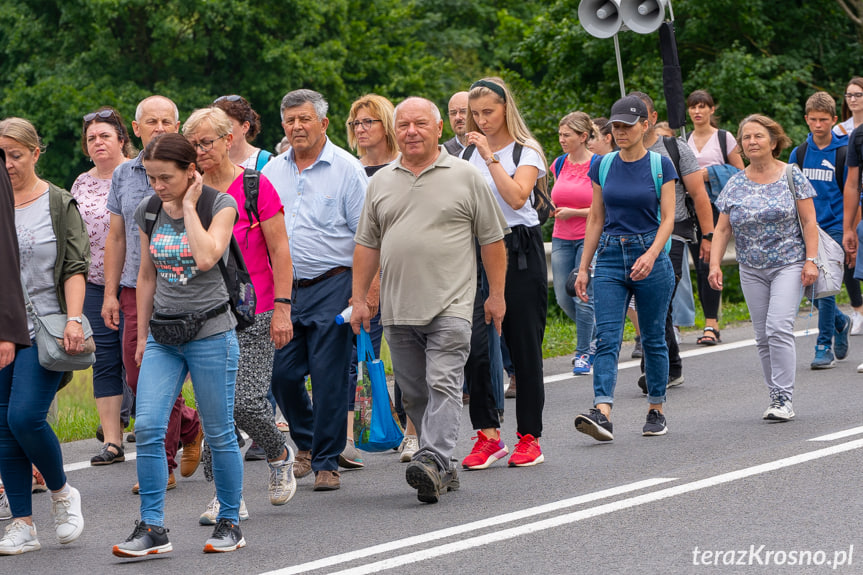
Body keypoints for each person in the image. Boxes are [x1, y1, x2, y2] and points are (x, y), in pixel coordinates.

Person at [352, 97, 507, 502]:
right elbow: (367, 245)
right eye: (403, 125)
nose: (411, 132)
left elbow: (492, 239)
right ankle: (443, 467)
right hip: (398, 308)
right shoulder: (381, 181)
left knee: (444, 383)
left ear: (439, 129)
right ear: (394, 131)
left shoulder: (466, 175)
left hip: (452, 305)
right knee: (414, 392)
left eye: (420, 124)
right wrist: (359, 299)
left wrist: (497, 295)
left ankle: (434, 458)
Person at [112, 133, 245, 556]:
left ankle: (229, 522)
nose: (157, 186)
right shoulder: (147, 209)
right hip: (164, 336)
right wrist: (145, 334)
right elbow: (147, 275)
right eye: (151, 177)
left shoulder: (219, 205)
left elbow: (206, 257)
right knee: (149, 427)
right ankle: (152, 528)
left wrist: (188, 206)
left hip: (211, 332)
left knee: (221, 432)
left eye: (166, 178)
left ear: (192, 171)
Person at [182, 107, 297, 520]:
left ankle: (280, 452)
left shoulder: (254, 185)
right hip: (206, 314)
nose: (200, 151)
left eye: (206, 142)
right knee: (216, 404)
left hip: (258, 308)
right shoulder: (190, 192)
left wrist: (283, 307)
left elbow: (281, 250)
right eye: (193, 145)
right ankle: (225, 496)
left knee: (244, 401)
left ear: (228, 139)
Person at [264, 89, 369, 492]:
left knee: (328, 376)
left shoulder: (347, 169)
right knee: (282, 372)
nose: (296, 127)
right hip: (285, 288)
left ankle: (327, 461)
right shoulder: (273, 170)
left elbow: (366, 236)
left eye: (304, 119)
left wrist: (364, 294)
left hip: (333, 283)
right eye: (290, 120)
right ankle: (305, 443)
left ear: (323, 123)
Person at [102, 96, 203, 491]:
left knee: (163, 377)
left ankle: (161, 464)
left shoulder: (191, 170)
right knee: (137, 374)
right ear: (136, 127)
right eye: (151, 121)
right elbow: (115, 237)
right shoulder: (124, 175)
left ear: (177, 126)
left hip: (182, 287)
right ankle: (190, 426)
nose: (159, 127)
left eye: (167, 121)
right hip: (134, 287)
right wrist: (110, 293)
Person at [0, 118, 87, 555]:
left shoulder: (57, 202)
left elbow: (74, 267)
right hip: (2, 331)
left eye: (15, 154)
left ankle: (61, 493)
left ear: (36, 153)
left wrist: (74, 319)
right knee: (3, 426)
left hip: (47, 328)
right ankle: (22, 524)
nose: (8, 164)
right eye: (1, 155)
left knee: (24, 417)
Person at [572, 95, 677, 441]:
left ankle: (656, 409)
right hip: (611, 256)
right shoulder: (602, 165)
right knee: (606, 337)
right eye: (615, 126)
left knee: (652, 338)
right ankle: (602, 411)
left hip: (651, 253)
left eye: (627, 126)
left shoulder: (660, 165)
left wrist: (651, 254)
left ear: (644, 126)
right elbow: (596, 218)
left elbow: (668, 219)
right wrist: (584, 267)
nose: (619, 132)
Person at [709, 115, 819, 422]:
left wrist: (811, 259)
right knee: (762, 336)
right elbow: (722, 230)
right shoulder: (735, 182)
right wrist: (714, 264)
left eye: (758, 136)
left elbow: (810, 220)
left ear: (773, 141)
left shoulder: (791, 175)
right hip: (751, 267)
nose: (752, 142)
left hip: (789, 263)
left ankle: (785, 397)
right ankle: (775, 395)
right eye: (746, 138)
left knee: (778, 327)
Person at [462, 77, 547, 466]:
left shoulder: (525, 151)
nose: (481, 121)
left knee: (523, 345)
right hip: (476, 247)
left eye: (488, 112)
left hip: (518, 245)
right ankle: (487, 435)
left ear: (505, 109)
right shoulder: (465, 156)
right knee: (476, 347)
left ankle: (529, 436)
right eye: (474, 114)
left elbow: (516, 195)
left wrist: (491, 157)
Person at [345, 94, 417, 465]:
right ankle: (361, 431)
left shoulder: (403, 168)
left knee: (407, 355)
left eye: (368, 122)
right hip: (366, 272)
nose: (360, 129)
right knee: (361, 353)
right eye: (355, 124)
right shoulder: (350, 169)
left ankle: (412, 432)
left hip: (404, 271)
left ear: (386, 125)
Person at [629, 91, 715, 395]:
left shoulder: (674, 149)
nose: (634, 125)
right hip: (634, 232)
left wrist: (708, 236)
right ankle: (672, 365)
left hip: (674, 230)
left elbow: (699, 194)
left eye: (641, 117)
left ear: (652, 118)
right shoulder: (620, 153)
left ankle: (655, 369)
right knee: (650, 301)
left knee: (656, 298)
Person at [70, 107, 135, 466]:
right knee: (105, 359)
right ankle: (113, 441)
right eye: (91, 138)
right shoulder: (81, 182)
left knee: (139, 356)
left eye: (105, 136)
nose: (98, 143)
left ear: (122, 139)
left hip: (136, 282)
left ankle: (164, 424)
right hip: (94, 283)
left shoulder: (137, 173)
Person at [789, 92, 851, 369]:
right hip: (808, 227)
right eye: (813, 119)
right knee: (803, 284)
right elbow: (790, 191)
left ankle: (823, 344)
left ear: (834, 120)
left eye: (823, 120)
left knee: (824, 288)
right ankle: (840, 320)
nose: (817, 125)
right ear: (806, 119)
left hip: (836, 226)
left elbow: (853, 192)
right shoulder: (799, 153)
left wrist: (851, 229)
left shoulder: (844, 151)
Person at [686, 90, 746, 346]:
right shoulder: (682, 139)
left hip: (715, 208)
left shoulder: (724, 137)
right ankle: (705, 321)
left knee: (707, 262)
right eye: (693, 107)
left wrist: (710, 173)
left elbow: (741, 172)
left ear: (712, 109)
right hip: (689, 209)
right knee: (697, 267)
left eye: (702, 106)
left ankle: (712, 324)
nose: (697, 112)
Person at [549, 111, 598, 375]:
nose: (561, 139)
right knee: (562, 297)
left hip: (588, 238)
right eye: (560, 135)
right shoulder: (558, 164)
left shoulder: (599, 164)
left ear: (583, 136)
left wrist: (575, 212)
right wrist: (550, 207)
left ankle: (583, 354)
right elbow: (557, 196)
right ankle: (603, 334)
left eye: (567, 135)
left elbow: (605, 208)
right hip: (560, 237)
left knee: (582, 296)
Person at [835, 78, 863, 334]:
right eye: (849, 95)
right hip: (850, 201)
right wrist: (848, 227)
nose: (852, 99)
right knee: (850, 262)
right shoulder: (843, 132)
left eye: (858, 94)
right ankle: (858, 308)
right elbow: (850, 183)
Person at [212, 95, 273, 170]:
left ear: (245, 127)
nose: (222, 130)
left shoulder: (267, 162)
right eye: (218, 125)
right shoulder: (209, 162)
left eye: (228, 125)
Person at [443, 91, 469, 156]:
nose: (457, 117)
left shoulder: (490, 147)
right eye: (453, 113)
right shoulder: (443, 153)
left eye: (463, 111)